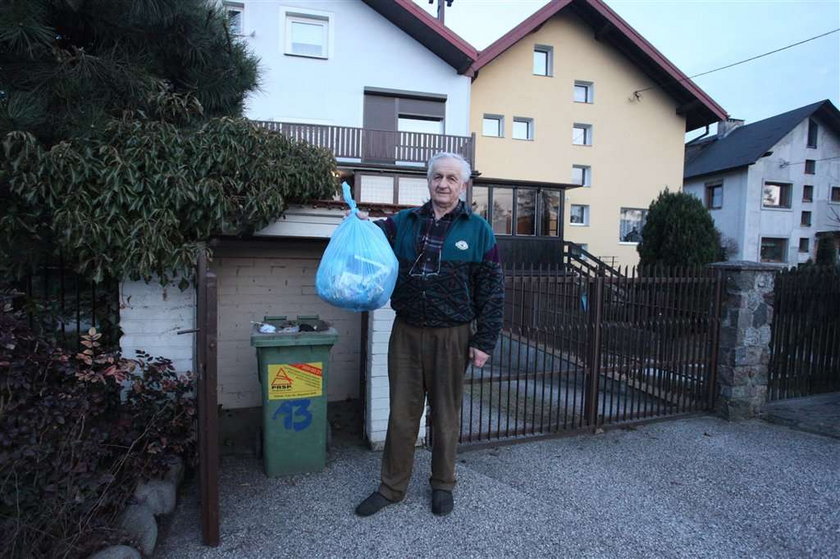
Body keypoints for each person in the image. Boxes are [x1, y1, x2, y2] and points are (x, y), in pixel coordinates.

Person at [354, 152, 504, 517]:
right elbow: (374, 234)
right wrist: (359, 224)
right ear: (428, 181)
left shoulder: (478, 229)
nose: (443, 184)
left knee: (446, 414)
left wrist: (484, 341)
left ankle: (442, 484)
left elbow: (493, 288)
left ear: (463, 186)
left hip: (453, 335)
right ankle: (391, 488)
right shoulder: (404, 222)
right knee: (402, 414)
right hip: (406, 331)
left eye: (452, 178)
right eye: (437, 177)